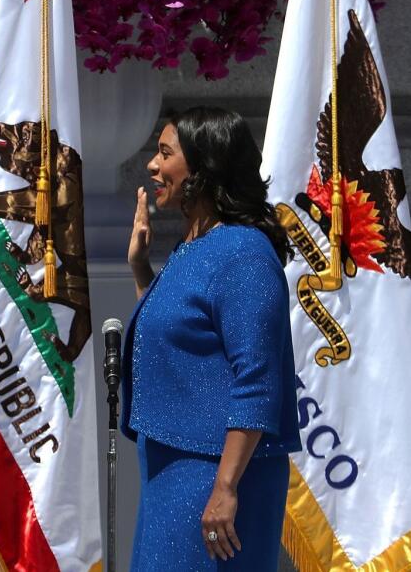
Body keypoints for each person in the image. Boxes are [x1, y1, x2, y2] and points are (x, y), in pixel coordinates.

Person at [121, 106, 302, 569]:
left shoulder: (243, 253)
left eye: (165, 153)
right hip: (171, 469)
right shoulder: (194, 245)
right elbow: (175, 339)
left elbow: (258, 380)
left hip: (216, 479)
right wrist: (141, 269)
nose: (152, 166)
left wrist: (224, 489)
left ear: (203, 166)